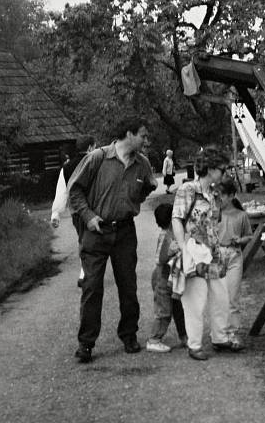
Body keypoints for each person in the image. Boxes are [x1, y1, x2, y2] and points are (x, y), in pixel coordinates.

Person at [67, 118, 156, 363]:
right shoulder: (97, 158)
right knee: (92, 287)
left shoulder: (142, 164)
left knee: (128, 285)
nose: (146, 141)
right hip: (96, 232)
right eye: (143, 136)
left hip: (125, 232)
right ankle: (86, 343)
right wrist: (88, 216)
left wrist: (133, 200)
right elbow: (74, 189)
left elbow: (148, 187)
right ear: (129, 134)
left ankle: (129, 335)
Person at [171, 146, 233, 361]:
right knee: (195, 301)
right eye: (223, 169)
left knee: (221, 296)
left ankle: (220, 337)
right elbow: (177, 219)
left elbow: (214, 223)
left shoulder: (215, 194)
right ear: (211, 169)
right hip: (194, 251)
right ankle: (194, 344)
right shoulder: (188, 189)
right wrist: (183, 249)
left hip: (213, 252)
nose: (225, 174)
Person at [50, 135, 96, 287]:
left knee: (83, 239)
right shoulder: (96, 162)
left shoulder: (67, 167)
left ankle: (86, 270)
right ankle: (89, 271)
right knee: (95, 241)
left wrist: (56, 212)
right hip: (96, 210)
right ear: (90, 147)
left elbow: (62, 190)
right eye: (94, 147)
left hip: (76, 211)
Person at [217, 179, 253, 351]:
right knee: (217, 297)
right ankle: (219, 334)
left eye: (221, 195)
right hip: (217, 256)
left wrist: (240, 240)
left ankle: (233, 332)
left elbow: (249, 236)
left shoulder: (241, 215)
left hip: (234, 256)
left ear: (231, 195)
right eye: (216, 195)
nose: (218, 198)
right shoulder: (214, 213)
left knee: (232, 295)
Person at [146, 203, 187, 353]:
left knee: (178, 308)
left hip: (172, 279)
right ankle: (154, 339)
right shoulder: (166, 236)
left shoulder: (172, 233)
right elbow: (160, 259)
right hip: (163, 279)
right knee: (164, 311)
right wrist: (170, 252)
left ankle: (184, 336)